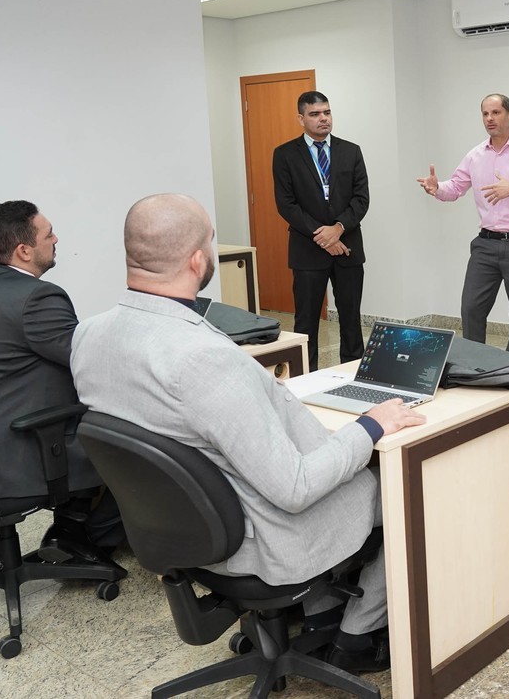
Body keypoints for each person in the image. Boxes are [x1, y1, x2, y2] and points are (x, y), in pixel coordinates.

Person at [71, 193, 425, 672]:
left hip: (181, 529)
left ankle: (319, 620)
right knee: (413, 490)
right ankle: (356, 636)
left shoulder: (90, 335)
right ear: (198, 260)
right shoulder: (201, 357)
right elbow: (296, 488)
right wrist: (371, 423)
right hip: (260, 536)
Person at [0, 200, 122, 561]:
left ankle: (70, 526)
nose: (56, 239)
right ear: (23, 250)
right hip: (6, 459)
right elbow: (90, 362)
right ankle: (88, 540)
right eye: (48, 233)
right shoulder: (36, 297)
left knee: (89, 413)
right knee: (137, 438)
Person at [416, 94, 509, 354]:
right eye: (485, 114)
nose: (490, 119)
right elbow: (455, 188)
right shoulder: (475, 155)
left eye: (496, 112)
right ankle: (473, 366)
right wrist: (437, 188)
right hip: (485, 244)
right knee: (471, 307)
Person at [273, 91, 370, 370]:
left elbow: (361, 199)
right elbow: (286, 204)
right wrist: (324, 236)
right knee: (306, 322)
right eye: (315, 114)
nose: (323, 119)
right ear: (301, 118)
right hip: (307, 250)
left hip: (347, 247)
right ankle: (306, 376)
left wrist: (338, 229)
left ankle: (353, 375)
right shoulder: (285, 155)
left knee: (351, 317)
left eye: (326, 112)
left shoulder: (350, 150)